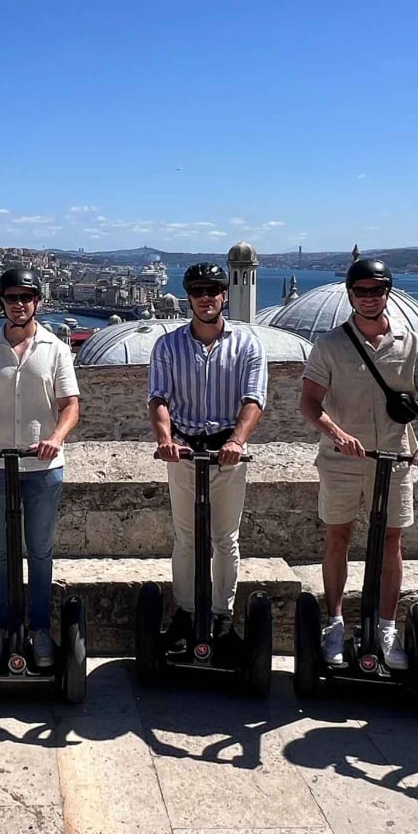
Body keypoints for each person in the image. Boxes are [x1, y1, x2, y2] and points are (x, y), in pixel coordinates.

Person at [299, 258, 418, 670]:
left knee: (391, 543)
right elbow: (309, 403)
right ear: (350, 294)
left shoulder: (411, 343)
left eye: (376, 291)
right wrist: (337, 433)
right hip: (341, 460)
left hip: (394, 458)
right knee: (338, 537)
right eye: (361, 291)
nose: (369, 298)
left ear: (387, 293)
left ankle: (385, 626)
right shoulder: (330, 345)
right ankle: (334, 621)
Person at [0, 267, 81, 668]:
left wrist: (56, 438)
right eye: (12, 298)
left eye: (26, 297)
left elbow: (70, 406)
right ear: (3, 302)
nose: (19, 304)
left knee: (40, 551)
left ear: (37, 302)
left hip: (43, 467)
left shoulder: (56, 349)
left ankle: (41, 629)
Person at [147, 262, 267, 651]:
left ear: (224, 295)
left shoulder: (247, 346)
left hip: (226, 453)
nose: (206, 298)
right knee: (185, 538)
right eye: (198, 291)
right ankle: (184, 611)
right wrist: (166, 439)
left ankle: (221, 614)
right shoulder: (168, 345)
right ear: (189, 297)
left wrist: (236, 441)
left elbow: (253, 399)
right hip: (184, 450)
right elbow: (159, 398)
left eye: (212, 290)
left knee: (224, 538)